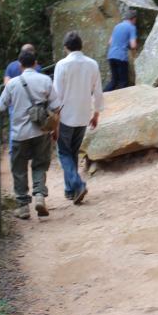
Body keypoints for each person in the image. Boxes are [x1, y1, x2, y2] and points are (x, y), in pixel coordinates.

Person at [0, 50, 54, 219]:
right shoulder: (45, 80)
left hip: (19, 133)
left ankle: (23, 207)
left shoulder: (12, 84)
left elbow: (0, 106)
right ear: (36, 63)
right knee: (40, 164)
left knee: (19, 169)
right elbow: (57, 104)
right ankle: (39, 195)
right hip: (41, 131)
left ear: (20, 65)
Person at [52, 31, 104, 204]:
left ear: (66, 47)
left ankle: (77, 184)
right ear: (81, 45)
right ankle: (70, 190)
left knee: (63, 152)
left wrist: (54, 119)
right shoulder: (92, 64)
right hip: (83, 115)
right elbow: (98, 91)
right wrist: (96, 113)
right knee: (72, 152)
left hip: (66, 115)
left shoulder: (62, 65)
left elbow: (57, 95)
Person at [104, 10, 138, 91]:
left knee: (114, 81)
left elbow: (110, 42)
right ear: (133, 19)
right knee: (124, 82)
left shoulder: (117, 26)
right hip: (121, 57)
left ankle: (99, 98)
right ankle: (122, 102)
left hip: (111, 55)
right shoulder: (132, 27)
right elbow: (133, 45)